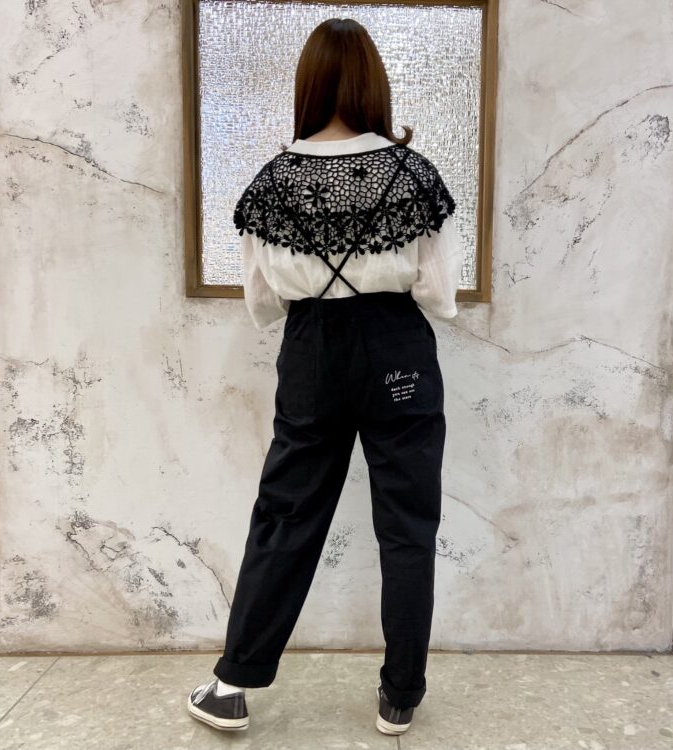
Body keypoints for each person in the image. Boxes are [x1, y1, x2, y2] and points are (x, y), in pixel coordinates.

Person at [187, 16, 465, 737]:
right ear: (375, 84)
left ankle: (232, 685)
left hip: (312, 351)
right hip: (398, 351)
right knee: (408, 523)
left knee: (287, 513)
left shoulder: (272, 183)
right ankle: (400, 694)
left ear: (306, 85)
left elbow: (261, 306)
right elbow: (440, 295)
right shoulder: (414, 175)